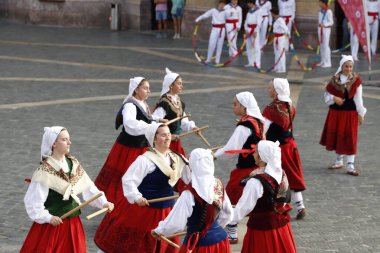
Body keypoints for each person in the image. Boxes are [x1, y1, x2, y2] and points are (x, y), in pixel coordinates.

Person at [94, 123, 190, 253]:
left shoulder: (177, 158)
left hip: (166, 209)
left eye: (168, 134)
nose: (168, 138)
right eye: (163, 135)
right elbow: (128, 180)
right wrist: (136, 197)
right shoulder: (145, 160)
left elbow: (189, 179)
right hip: (142, 210)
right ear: (154, 139)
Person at [21, 126, 114, 253]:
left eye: (69, 139)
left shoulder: (73, 164)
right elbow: (33, 202)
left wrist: (103, 202)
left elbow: (88, 187)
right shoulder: (44, 172)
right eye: (65, 139)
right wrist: (48, 218)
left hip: (73, 224)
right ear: (54, 143)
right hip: (51, 227)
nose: (69, 142)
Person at [152, 148, 233, 253]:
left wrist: (159, 231)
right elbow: (228, 214)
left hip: (198, 245)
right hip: (221, 240)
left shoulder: (189, 193)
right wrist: (214, 229)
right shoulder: (218, 184)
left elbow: (176, 223)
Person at [95, 77, 162, 203]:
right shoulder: (130, 105)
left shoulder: (143, 103)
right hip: (128, 147)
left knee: (139, 173)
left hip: (141, 145)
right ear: (136, 89)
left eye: (149, 88)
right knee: (127, 173)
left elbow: (146, 118)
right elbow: (130, 124)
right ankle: (121, 200)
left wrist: (157, 121)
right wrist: (151, 127)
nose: (149, 91)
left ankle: (135, 197)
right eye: (145, 88)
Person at [214, 91, 264, 244]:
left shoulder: (244, 126)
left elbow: (231, 149)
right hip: (258, 166)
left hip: (245, 169)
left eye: (235, 104)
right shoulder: (257, 121)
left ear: (244, 106)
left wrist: (215, 155)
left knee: (230, 198)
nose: (233, 107)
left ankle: (232, 232)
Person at [232, 140, 297, 253]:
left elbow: (242, 210)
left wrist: (220, 219)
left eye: (256, 152)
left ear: (262, 157)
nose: (253, 154)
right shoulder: (280, 172)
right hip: (281, 227)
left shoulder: (256, 182)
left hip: (263, 230)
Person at [262, 78, 307, 219]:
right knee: (292, 176)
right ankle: (300, 207)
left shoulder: (272, 109)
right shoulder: (289, 105)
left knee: (276, 177)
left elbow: (263, 129)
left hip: (278, 148)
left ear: (276, 91)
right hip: (290, 146)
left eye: (270, 88)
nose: (268, 90)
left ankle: (280, 207)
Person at [320, 55, 367, 176]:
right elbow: (326, 95)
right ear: (342, 66)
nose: (349, 69)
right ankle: (339, 160)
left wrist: (361, 113)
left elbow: (358, 99)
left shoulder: (356, 81)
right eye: (346, 66)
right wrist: (333, 98)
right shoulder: (334, 80)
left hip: (350, 113)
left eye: (351, 66)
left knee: (350, 137)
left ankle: (350, 165)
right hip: (335, 113)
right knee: (338, 135)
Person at [153, 68, 197, 156]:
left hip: (175, 142)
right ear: (171, 85)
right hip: (164, 144)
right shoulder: (164, 103)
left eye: (182, 84)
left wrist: (192, 127)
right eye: (179, 84)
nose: (182, 86)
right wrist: (168, 136)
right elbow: (154, 124)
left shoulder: (179, 101)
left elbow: (182, 122)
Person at [195, 0, 227, 65]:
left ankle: (217, 60)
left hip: (222, 29)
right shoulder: (213, 10)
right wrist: (197, 19)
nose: (222, 6)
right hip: (215, 29)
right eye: (221, 4)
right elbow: (205, 15)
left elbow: (231, 19)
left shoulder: (226, 12)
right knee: (211, 44)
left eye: (223, 4)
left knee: (220, 45)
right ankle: (208, 59)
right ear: (219, 4)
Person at [244, 0, 263, 68]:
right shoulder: (249, 11)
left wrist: (256, 31)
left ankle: (258, 63)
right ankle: (250, 62)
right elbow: (246, 21)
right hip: (248, 29)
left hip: (255, 29)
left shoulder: (259, 11)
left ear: (251, 3)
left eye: (248, 4)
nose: (248, 5)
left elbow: (259, 22)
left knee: (256, 47)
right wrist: (246, 29)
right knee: (248, 46)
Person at [271, 8, 289, 73]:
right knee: (276, 53)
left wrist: (287, 34)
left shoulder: (280, 20)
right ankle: (277, 67)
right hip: (276, 37)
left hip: (280, 38)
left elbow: (285, 28)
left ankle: (282, 69)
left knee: (281, 53)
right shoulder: (276, 19)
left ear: (273, 13)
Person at [317, 0, 333, 68]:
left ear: (324, 3)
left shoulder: (329, 11)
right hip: (320, 29)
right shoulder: (320, 11)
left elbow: (331, 22)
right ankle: (323, 61)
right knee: (321, 45)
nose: (319, 3)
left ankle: (328, 62)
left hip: (326, 29)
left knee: (326, 46)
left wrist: (324, 24)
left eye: (320, 2)